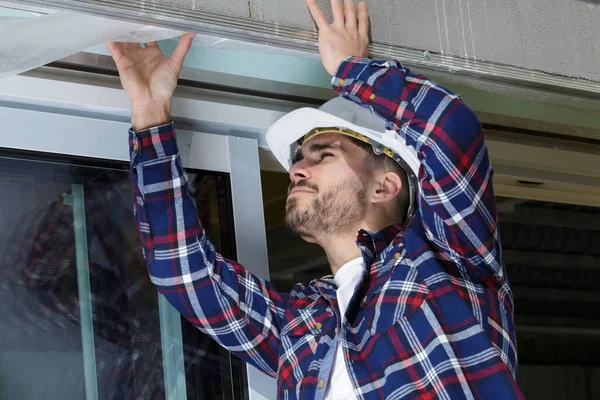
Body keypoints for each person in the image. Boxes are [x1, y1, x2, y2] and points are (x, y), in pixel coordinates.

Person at [107, 0, 524, 398]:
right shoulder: (303, 324)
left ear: (386, 186)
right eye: (301, 158)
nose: (295, 170)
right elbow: (181, 269)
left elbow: (451, 132)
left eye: (322, 154)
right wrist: (150, 113)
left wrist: (353, 70)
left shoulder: (446, 258)